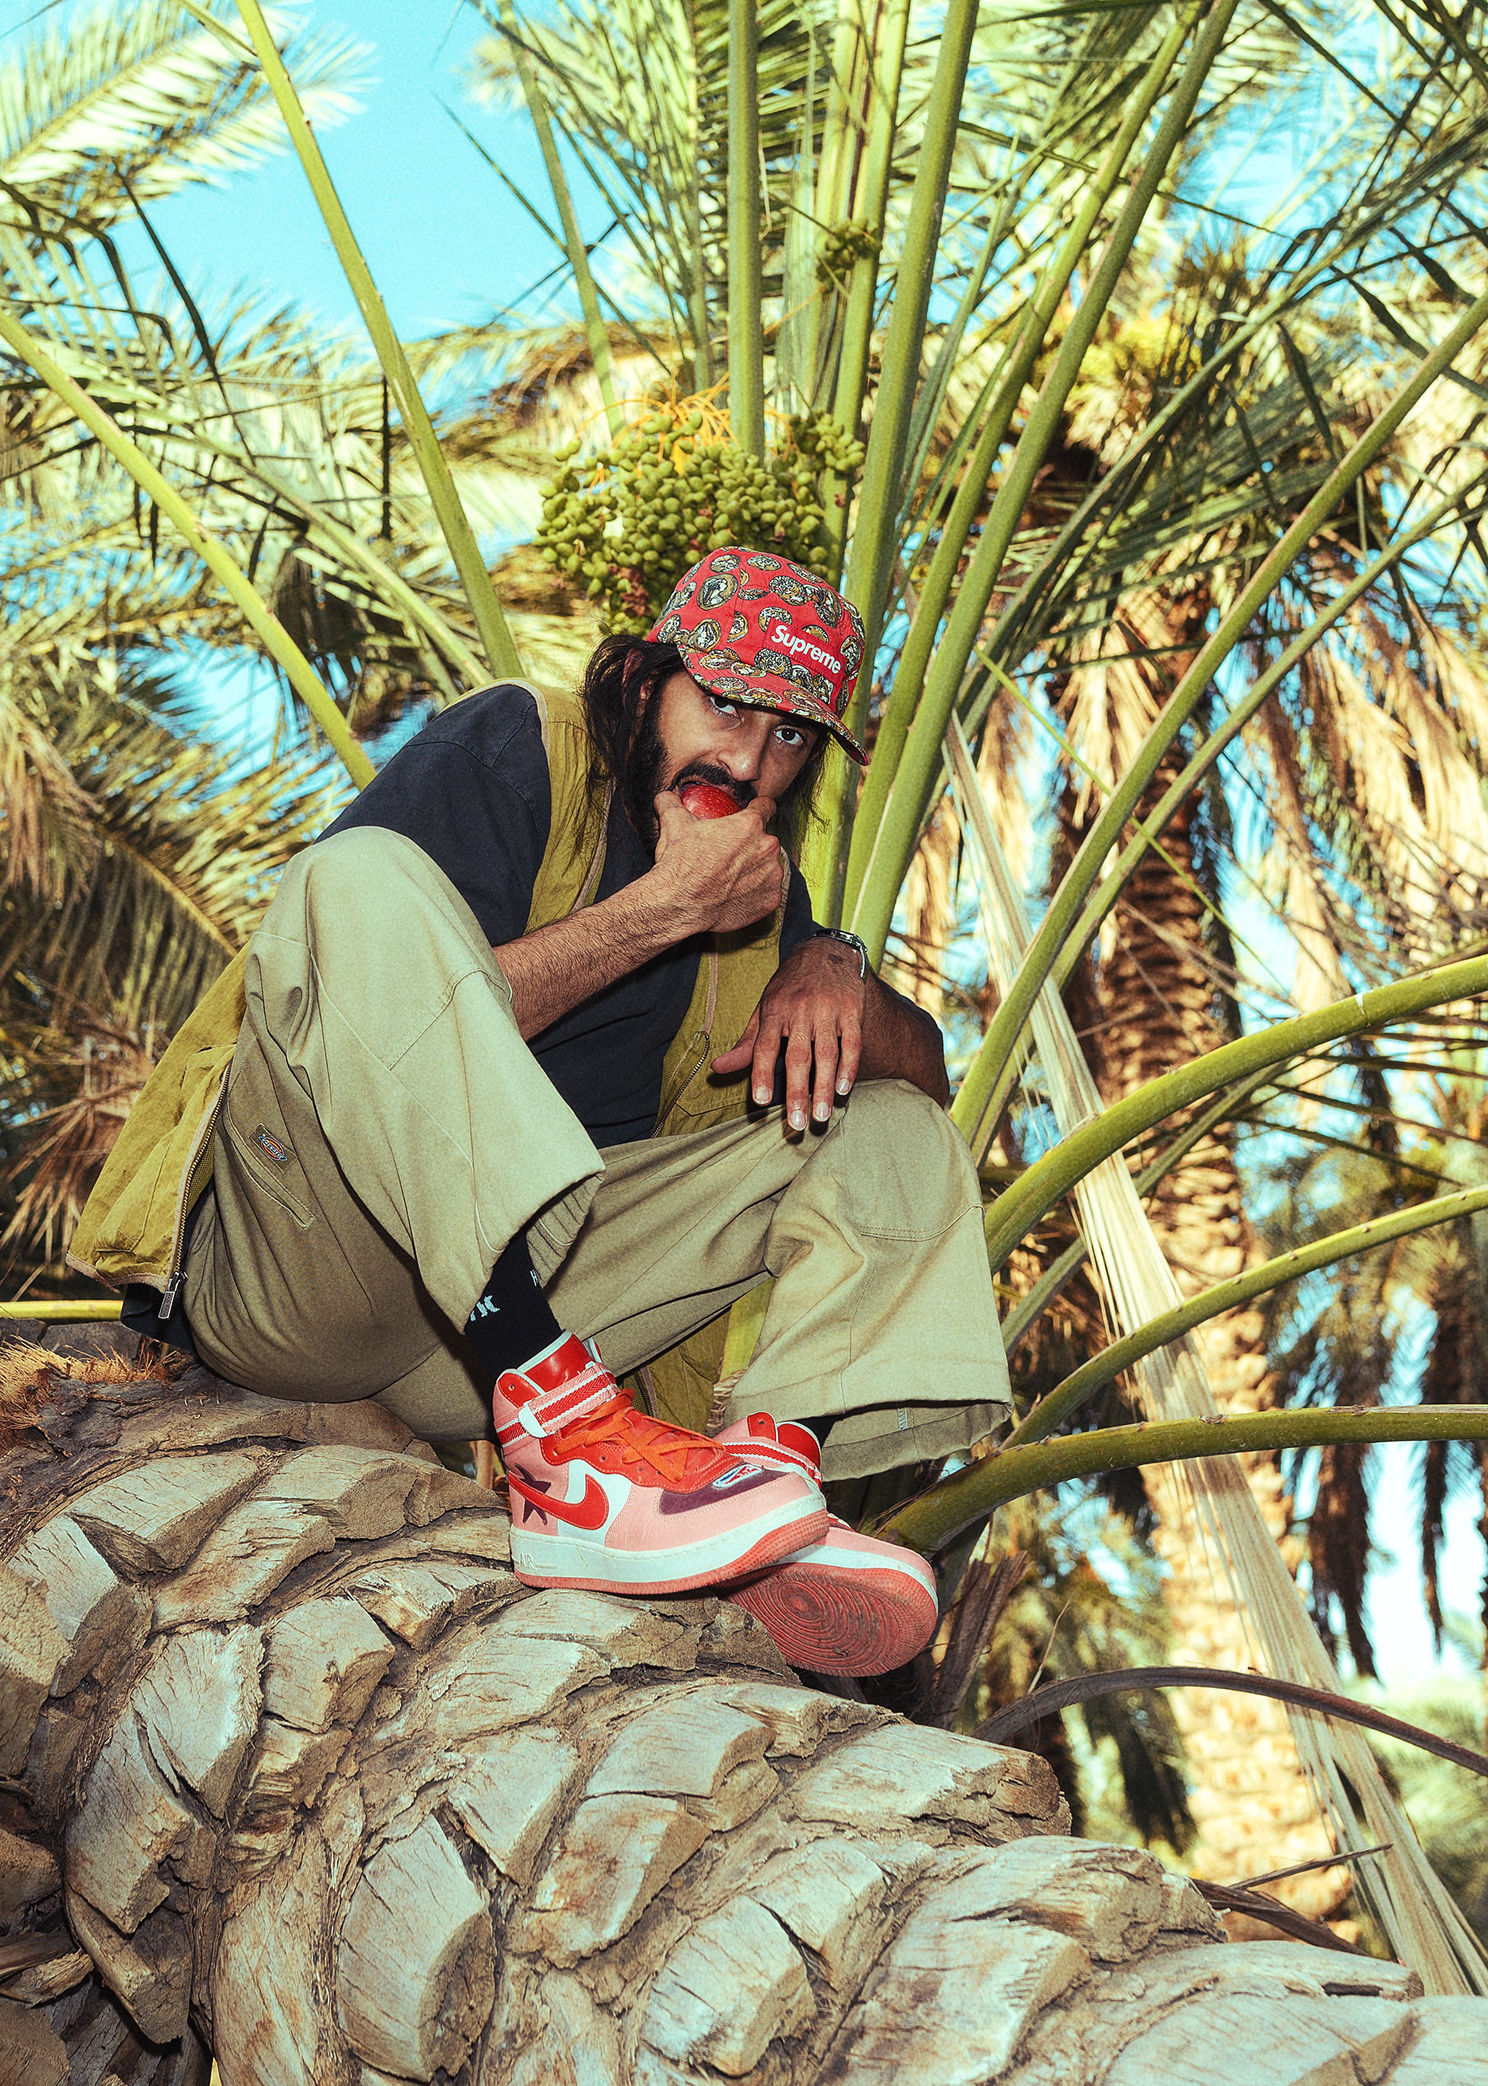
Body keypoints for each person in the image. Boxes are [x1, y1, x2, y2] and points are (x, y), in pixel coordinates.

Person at [70, 546, 1009, 1675]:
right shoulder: (518, 746)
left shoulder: (755, 881)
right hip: (299, 1274)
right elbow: (374, 987)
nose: (750, 762)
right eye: (723, 705)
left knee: (890, 1125)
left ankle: (764, 1491)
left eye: (792, 736)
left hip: (469, 1360)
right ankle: (569, 1450)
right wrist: (663, 910)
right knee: (353, 877)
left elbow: (927, 1075)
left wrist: (835, 964)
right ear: (646, 682)